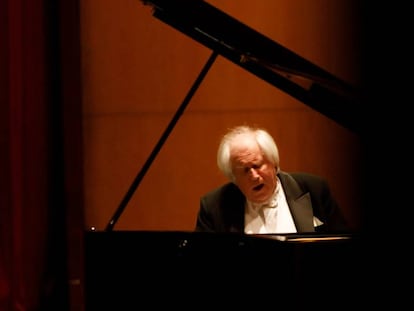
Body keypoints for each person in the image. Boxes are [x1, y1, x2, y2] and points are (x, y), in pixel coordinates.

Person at [195, 124, 350, 234]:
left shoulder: (313, 189)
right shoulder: (214, 207)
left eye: (257, 165)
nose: (254, 176)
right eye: (245, 170)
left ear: (273, 163)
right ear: (233, 178)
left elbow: (342, 245)